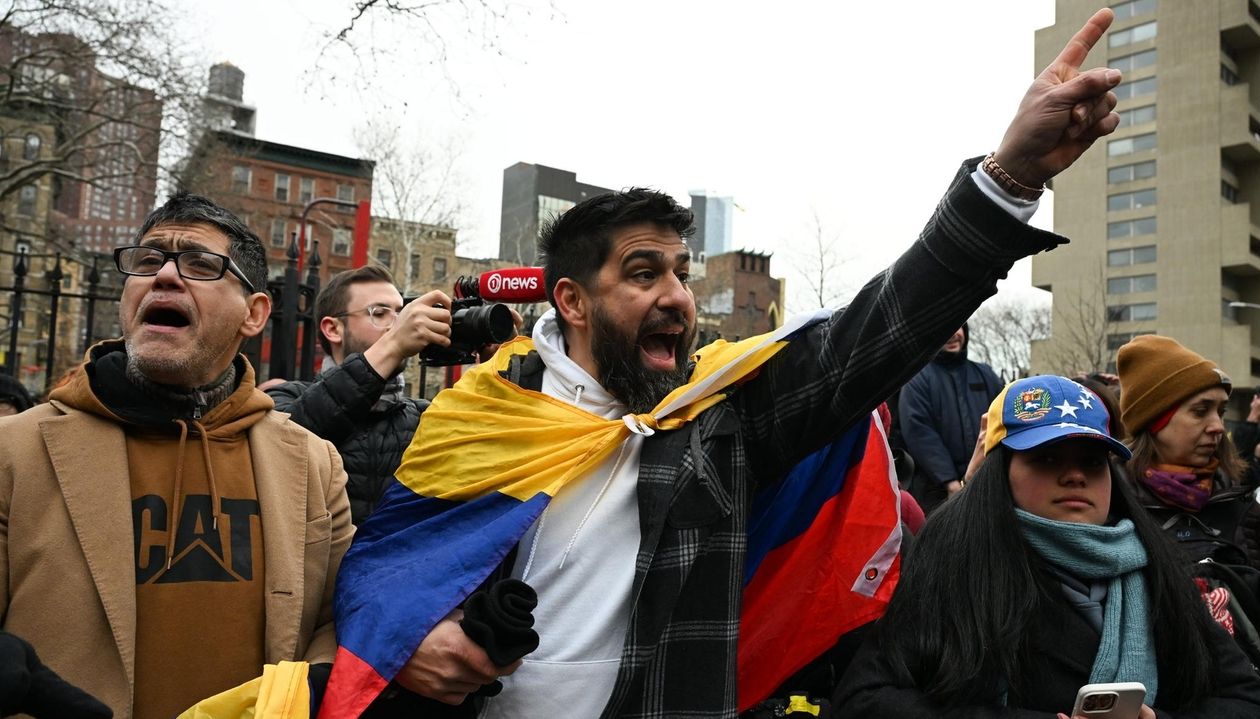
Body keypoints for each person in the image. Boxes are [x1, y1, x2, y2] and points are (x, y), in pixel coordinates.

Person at [328, 9, 1130, 718]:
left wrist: (1010, 180)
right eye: (644, 274)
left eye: (681, 271)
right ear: (571, 300)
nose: (677, 296)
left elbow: (881, 326)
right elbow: (375, 568)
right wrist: (406, 635)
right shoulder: (475, 418)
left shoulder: (720, 412)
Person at [0, 193, 354, 719]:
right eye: (147, 260)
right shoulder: (14, 453)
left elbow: (340, 619)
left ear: (254, 314)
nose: (164, 276)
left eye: (200, 264)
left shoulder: (313, 463)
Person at [835, 374, 1260, 718]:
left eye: (1091, 461)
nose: (1075, 476)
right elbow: (864, 702)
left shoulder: (1157, 569)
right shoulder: (949, 565)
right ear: (999, 472)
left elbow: (1251, 703)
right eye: (1046, 457)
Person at [266, 264, 452, 524]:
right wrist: (394, 344)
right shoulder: (284, 397)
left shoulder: (425, 415)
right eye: (379, 313)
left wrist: (498, 365)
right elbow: (283, 447)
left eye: (400, 313)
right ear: (333, 329)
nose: (397, 324)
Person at [1115, 334, 1260, 621]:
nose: (1217, 426)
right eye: (1200, 411)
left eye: (1221, 411)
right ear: (1154, 420)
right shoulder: (1111, 509)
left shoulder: (1243, 509)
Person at [897, 323, 1002, 513]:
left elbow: (1001, 419)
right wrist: (950, 481)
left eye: (959, 327)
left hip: (985, 483)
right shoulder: (918, 379)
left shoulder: (985, 374)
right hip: (936, 492)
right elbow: (919, 432)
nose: (953, 334)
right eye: (946, 328)